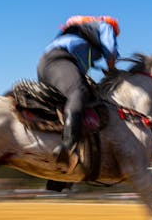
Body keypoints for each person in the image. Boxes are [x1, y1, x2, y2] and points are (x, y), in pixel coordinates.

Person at [37, 15, 121, 167]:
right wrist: (113, 70)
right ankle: (68, 146)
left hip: (49, 65)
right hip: (61, 61)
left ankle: (61, 175)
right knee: (79, 92)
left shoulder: (79, 32)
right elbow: (111, 50)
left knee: (84, 105)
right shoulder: (105, 26)